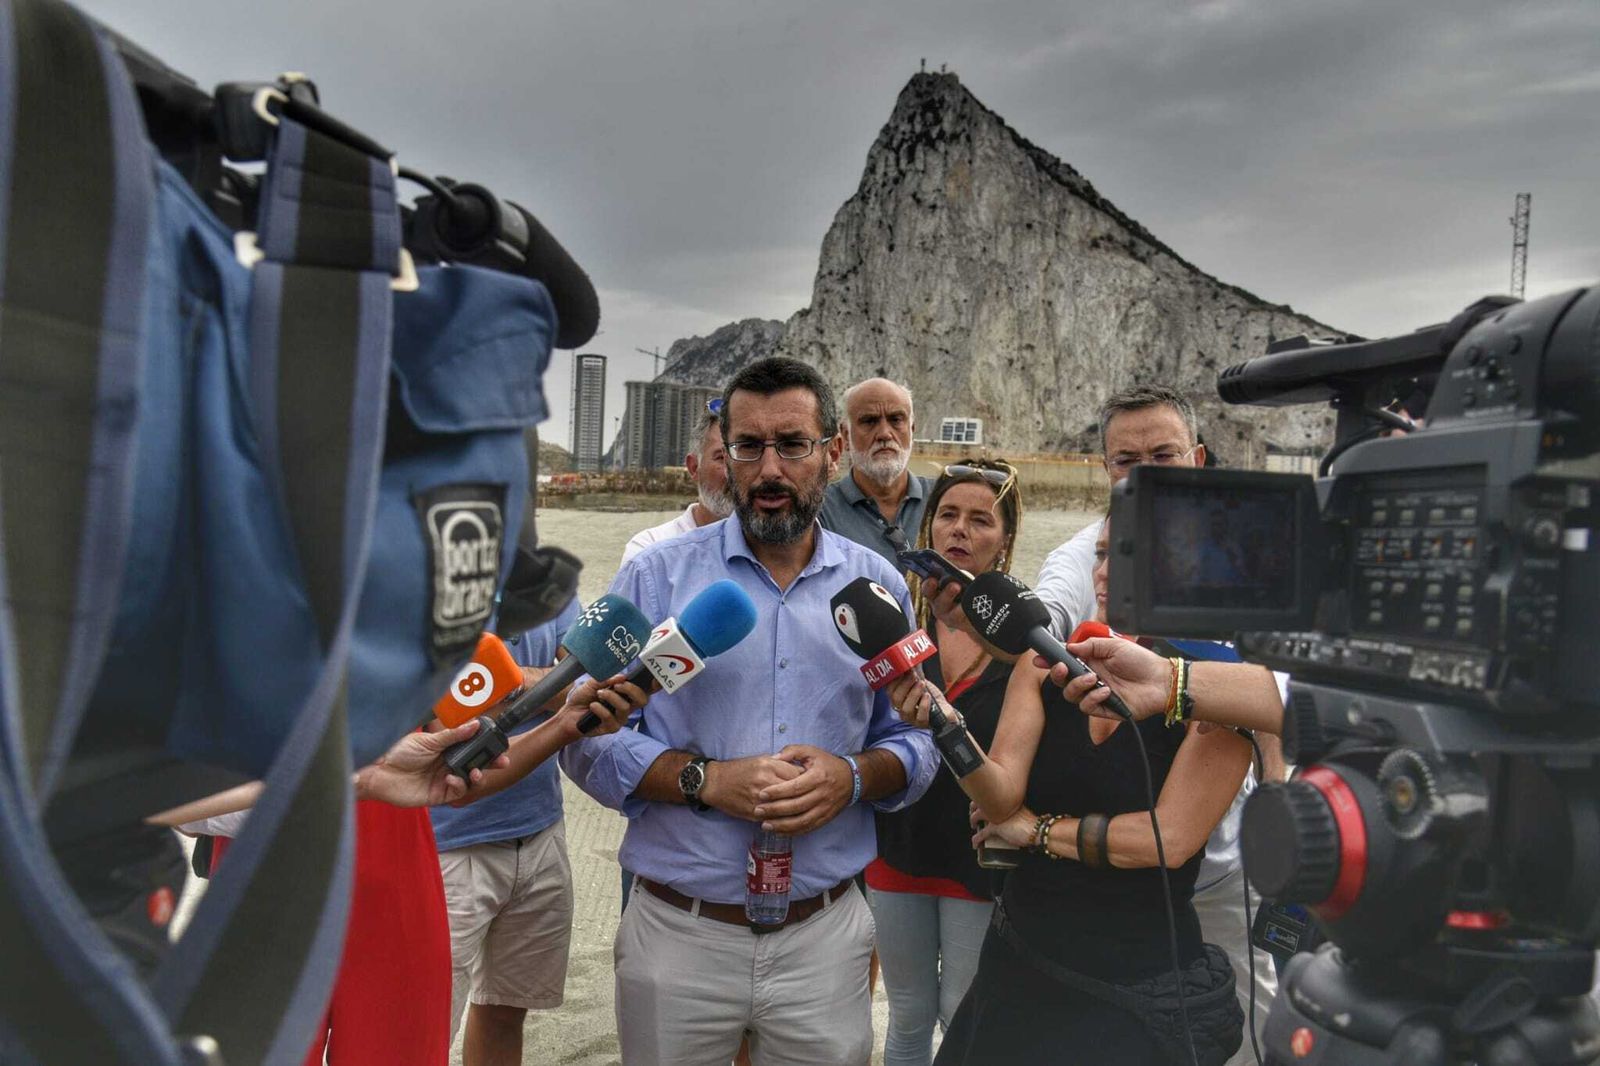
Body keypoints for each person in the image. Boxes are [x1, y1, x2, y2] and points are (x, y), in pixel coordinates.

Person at [559, 356, 938, 1066]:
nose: (769, 469)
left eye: (792, 445)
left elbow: (918, 745)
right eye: (748, 446)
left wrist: (851, 778)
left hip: (824, 941)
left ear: (830, 454)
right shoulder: (656, 575)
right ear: (723, 455)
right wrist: (705, 781)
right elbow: (585, 742)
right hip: (679, 936)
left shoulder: (877, 584)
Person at [890, 515, 1254, 1065]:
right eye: (1102, 555)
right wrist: (948, 727)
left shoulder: (1216, 694)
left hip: (1134, 989)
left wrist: (1035, 831)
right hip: (1022, 963)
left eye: (1130, 556)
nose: (1105, 573)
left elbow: (1167, 839)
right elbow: (999, 798)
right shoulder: (1043, 667)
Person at [1026, 384, 1283, 1060]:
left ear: (1196, 458)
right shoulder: (1088, 552)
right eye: (1124, 460)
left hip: (1233, 863)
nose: (1141, 475)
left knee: (1253, 1035)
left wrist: (1283, 798)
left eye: (1161, 455)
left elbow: (1284, 696)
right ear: (1105, 469)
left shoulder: (1254, 557)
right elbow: (1046, 609)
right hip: (1132, 863)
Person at [865, 460, 1022, 1066]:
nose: (960, 529)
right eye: (948, 515)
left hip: (976, 856)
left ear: (1004, 538)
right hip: (897, 846)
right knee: (906, 1015)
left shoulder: (1023, 638)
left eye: (980, 520)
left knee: (962, 1010)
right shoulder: (900, 621)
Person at [429, 599, 582, 1066]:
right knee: (424, 1029)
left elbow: (582, 681)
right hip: (445, 852)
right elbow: (445, 728)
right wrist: (542, 685)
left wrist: (512, 684)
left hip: (539, 832)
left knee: (504, 1011)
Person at [820, 377, 931, 564]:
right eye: (869, 421)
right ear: (846, 435)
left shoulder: (942, 501)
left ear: (912, 430)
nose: (884, 434)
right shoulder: (819, 511)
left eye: (896, 420)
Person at [622, 405, 734, 564]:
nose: (734, 472)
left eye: (745, 455)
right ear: (694, 467)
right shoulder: (649, 552)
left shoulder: (773, 549)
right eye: (721, 458)